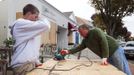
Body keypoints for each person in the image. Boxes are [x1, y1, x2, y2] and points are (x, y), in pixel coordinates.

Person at [60, 24, 132, 75]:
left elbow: (103, 41)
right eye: (80, 33)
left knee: (122, 69)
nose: (81, 34)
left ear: (86, 29)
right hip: (107, 55)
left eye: (81, 32)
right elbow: (78, 48)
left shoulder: (96, 31)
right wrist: (68, 51)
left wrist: (104, 56)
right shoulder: (85, 41)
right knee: (114, 70)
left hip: (115, 49)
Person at [10, 4, 50, 75]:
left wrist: (36, 61)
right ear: (29, 14)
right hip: (23, 66)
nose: (36, 19)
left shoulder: (27, 28)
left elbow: (31, 47)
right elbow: (46, 26)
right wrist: (41, 17)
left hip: (26, 65)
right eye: (35, 16)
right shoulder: (21, 23)